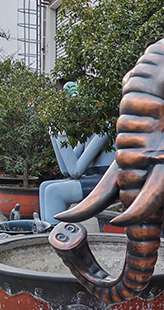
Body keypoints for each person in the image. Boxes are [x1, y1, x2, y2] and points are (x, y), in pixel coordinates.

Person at [39, 82, 115, 225]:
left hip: (107, 181)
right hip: (95, 179)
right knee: (44, 186)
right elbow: (66, 170)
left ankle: (59, 234)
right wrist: (54, 134)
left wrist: (61, 135)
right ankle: (46, 230)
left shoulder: (105, 128)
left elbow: (75, 171)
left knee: (53, 192)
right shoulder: (88, 132)